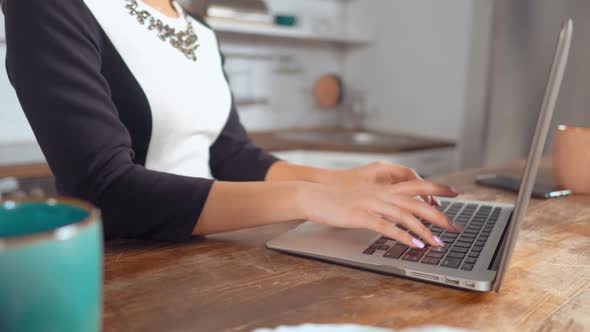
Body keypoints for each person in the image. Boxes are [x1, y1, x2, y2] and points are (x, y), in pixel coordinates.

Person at [2, 0, 463, 248]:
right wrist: (312, 197)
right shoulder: (50, 6)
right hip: (128, 270)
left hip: (208, 253)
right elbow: (105, 189)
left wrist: (342, 181)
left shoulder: (200, 29)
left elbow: (229, 153)